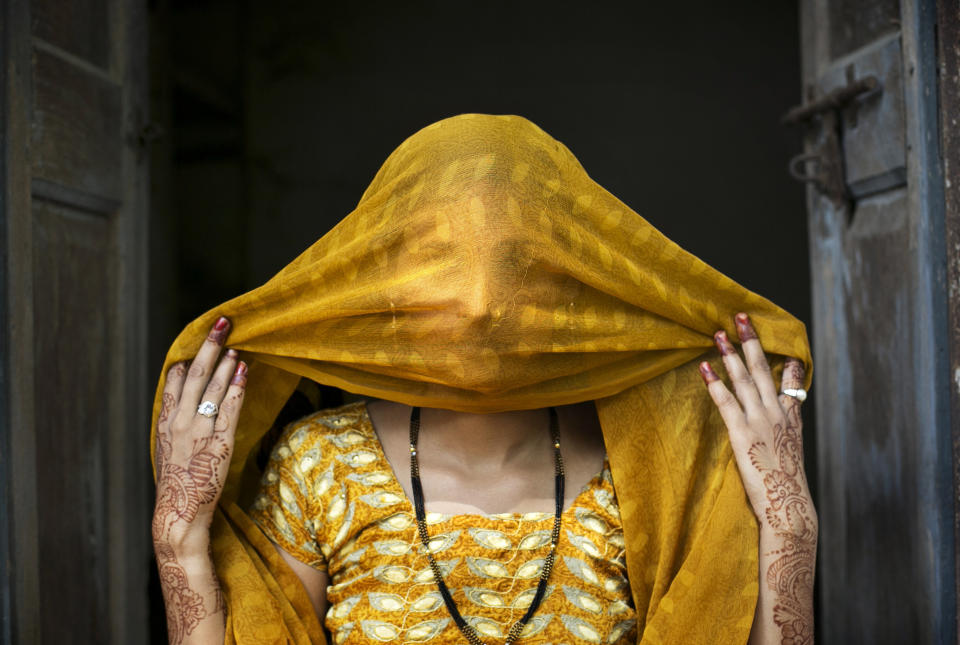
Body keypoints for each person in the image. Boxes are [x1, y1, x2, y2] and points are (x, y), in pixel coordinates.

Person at [151, 114, 816, 645]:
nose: (480, 300)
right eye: (443, 260)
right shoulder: (321, 467)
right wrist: (178, 534)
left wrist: (789, 522)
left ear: (570, 277)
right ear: (391, 279)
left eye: (514, 260)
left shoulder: (650, 472)